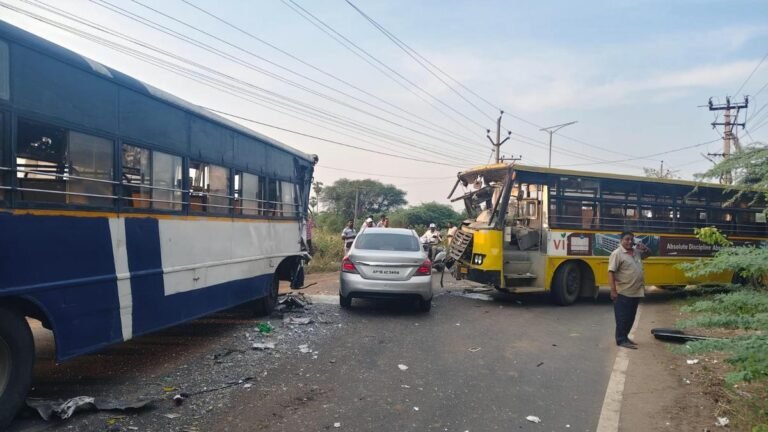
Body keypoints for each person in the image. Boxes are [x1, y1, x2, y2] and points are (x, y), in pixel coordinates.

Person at [608, 231, 651, 349]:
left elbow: (648, 254)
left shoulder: (636, 252)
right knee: (622, 318)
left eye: (631, 239)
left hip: (636, 291)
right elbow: (611, 272)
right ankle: (621, 340)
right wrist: (613, 290)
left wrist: (645, 248)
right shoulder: (617, 254)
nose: (629, 242)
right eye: (627, 239)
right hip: (623, 291)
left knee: (631, 317)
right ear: (621, 241)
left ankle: (625, 337)